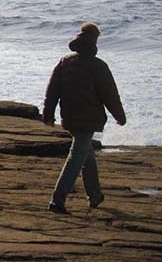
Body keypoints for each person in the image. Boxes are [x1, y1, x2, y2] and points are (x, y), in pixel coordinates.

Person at [43, 22, 126, 214]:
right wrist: (120, 117)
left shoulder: (65, 62)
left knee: (86, 155)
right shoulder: (99, 66)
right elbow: (110, 95)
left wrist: (48, 114)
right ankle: (57, 200)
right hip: (88, 119)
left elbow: (52, 90)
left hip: (70, 117)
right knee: (76, 158)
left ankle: (95, 195)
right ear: (94, 41)